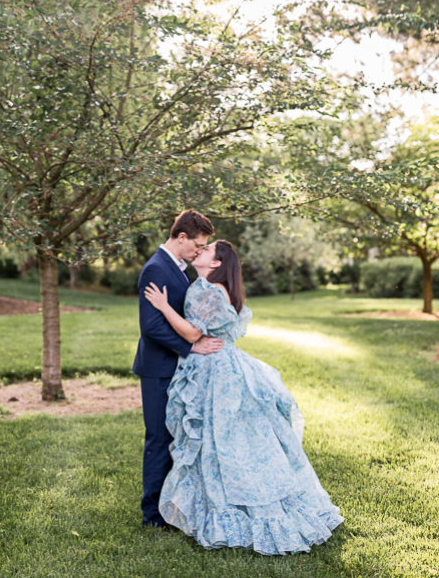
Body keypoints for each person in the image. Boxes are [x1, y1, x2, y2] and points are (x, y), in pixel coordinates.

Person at [143, 239, 344, 554]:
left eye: (206, 249)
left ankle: (240, 508)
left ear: (217, 263)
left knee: (221, 439)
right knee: (221, 439)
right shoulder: (210, 287)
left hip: (217, 372)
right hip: (219, 366)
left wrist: (163, 306)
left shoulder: (209, 290)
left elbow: (195, 334)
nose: (200, 251)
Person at [134, 209, 224, 529]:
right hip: (159, 367)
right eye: (198, 245)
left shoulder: (179, 268)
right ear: (181, 237)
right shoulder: (156, 269)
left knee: (176, 437)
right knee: (159, 438)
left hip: (177, 368)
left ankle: (172, 505)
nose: (200, 251)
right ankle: (152, 515)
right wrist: (191, 346)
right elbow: (151, 327)